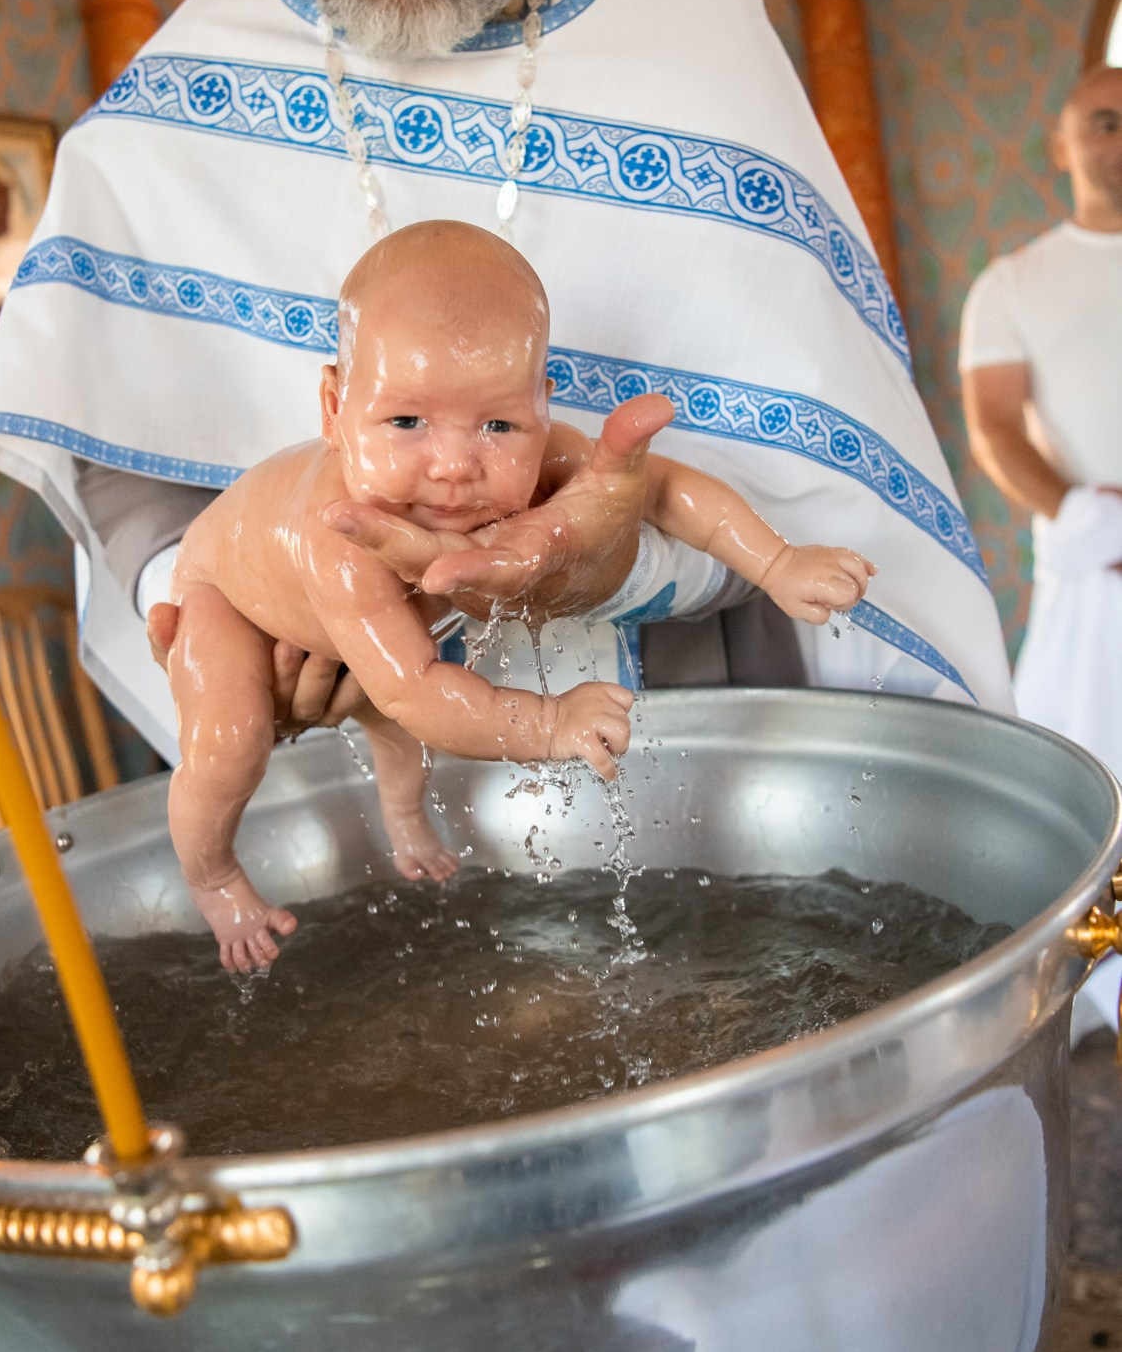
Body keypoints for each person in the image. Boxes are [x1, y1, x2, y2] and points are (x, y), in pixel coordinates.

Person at [0, 0, 1009, 760]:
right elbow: (133, 477)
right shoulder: (161, 130)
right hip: (365, 798)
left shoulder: (693, 74)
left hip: (699, 766)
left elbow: (835, 510)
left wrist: (632, 563)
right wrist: (243, 618)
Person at [170, 222, 874, 969]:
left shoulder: (539, 454)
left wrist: (778, 562)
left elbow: (663, 491)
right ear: (333, 409)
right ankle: (212, 876)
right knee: (234, 740)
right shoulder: (337, 536)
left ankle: (403, 817)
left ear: (541, 405)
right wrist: (550, 722)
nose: (454, 465)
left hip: (369, 625)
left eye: (498, 424)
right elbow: (418, 689)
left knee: (388, 713)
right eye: (405, 421)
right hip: (227, 598)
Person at [960, 61, 1122, 1034]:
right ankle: (1101, 1002)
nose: (1117, 140)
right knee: (1096, 793)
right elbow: (994, 428)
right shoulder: (1014, 284)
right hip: (1099, 580)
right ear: (1060, 145)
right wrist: (1089, 513)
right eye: (1101, 122)